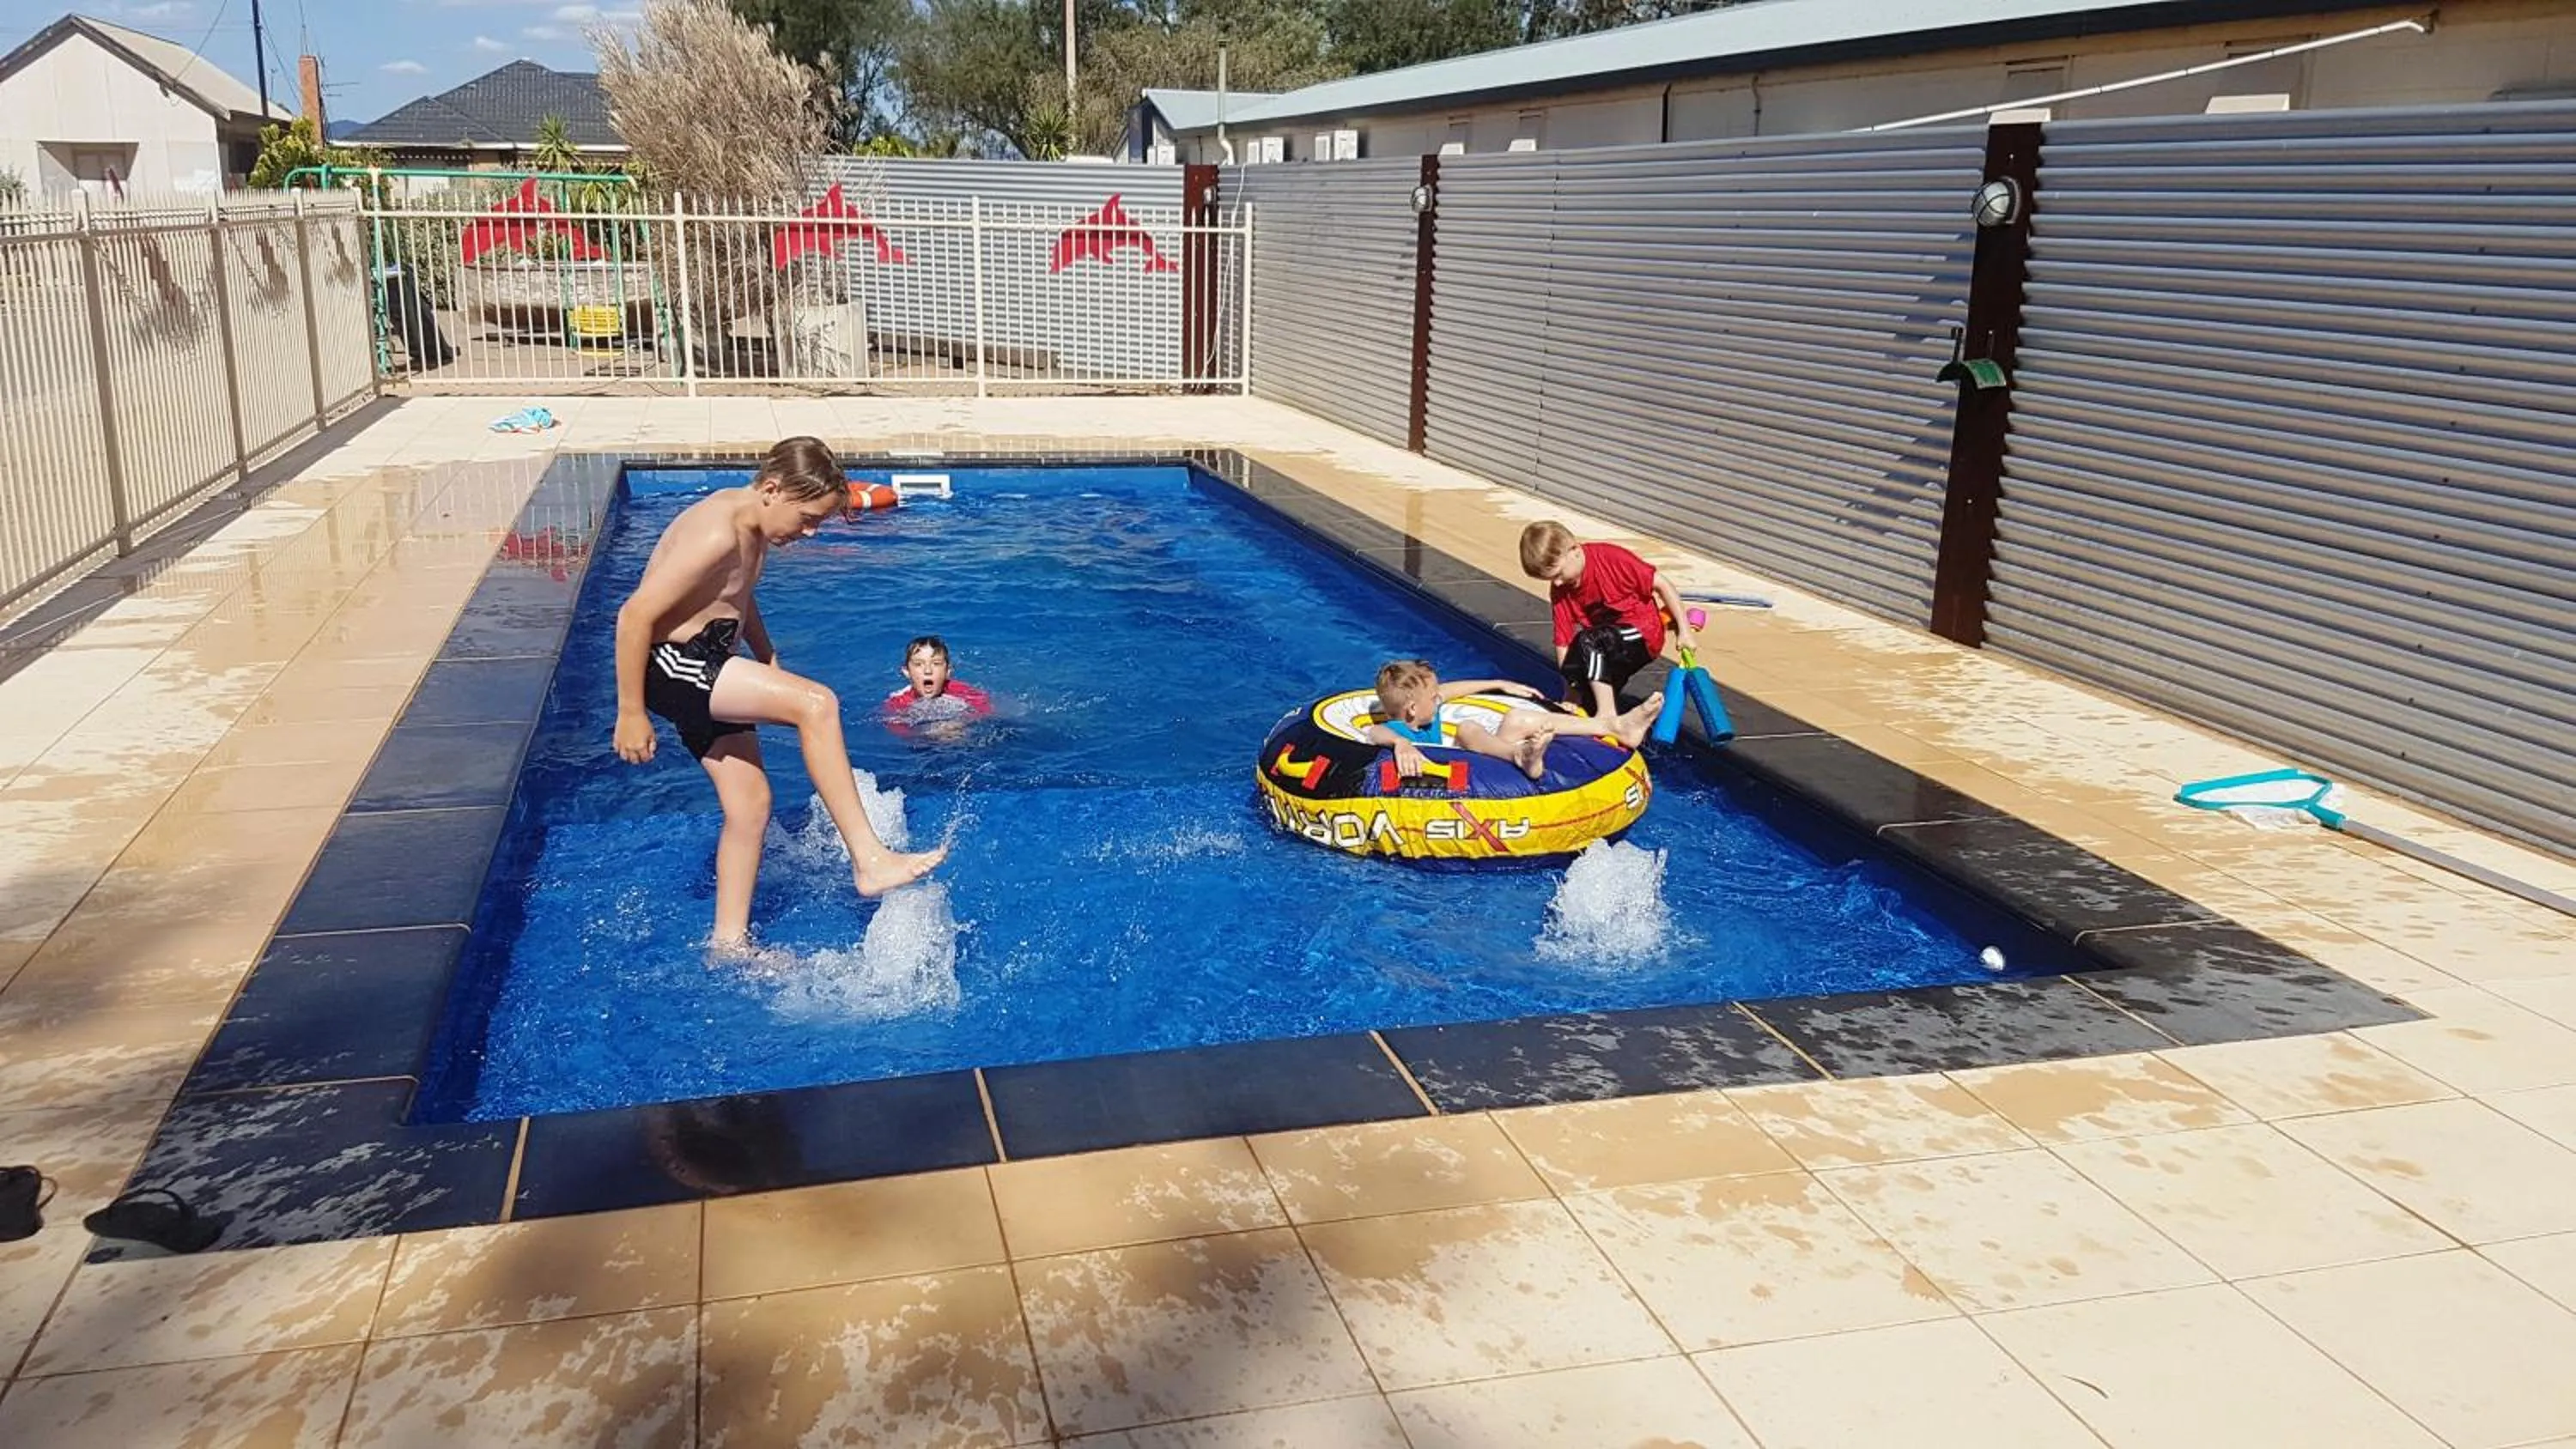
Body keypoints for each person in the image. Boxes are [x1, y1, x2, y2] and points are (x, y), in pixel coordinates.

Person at [614, 436, 945, 947]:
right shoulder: (716, 532)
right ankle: (870, 859)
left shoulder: (753, 523)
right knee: (818, 704)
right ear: (773, 489)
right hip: (673, 664)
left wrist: (764, 653)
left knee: (751, 806)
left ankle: (729, 943)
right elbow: (634, 614)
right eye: (808, 518)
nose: (810, 532)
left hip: (706, 659)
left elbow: (736, 594)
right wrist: (630, 711)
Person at [1518, 520, 1699, 724]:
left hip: (1643, 632)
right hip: (1607, 647)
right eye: (1551, 579)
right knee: (1585, 694)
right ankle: (1626, 723)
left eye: (1559, 574)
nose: (1557, 583)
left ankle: (1608, 716)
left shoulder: (1611, 558)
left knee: (1589, 640)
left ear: (1575, 551)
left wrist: (1685, 631)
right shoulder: (1561, 590)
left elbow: (1663, 585)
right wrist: (1571, 692)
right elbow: (1563, 642)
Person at [1367, 659, 1661, 782]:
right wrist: (1401, 743)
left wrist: (1497, 683)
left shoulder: (1423, 713)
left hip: (1488, 755)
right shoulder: (1397, 729)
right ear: (1411, 710)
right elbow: (1374, 732)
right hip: (1471, 774)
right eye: (1433, 698)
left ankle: (1614, 726)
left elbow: (1448, 691)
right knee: (1467, 729)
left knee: (1518, 718)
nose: (1439, 698)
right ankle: (1521, 756)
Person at [882, 635, 993, 725]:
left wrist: (960, 723)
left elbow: (985, 710)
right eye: (918, 664)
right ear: (907, 672)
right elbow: (897, 728)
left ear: (948, 671)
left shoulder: (962, 691)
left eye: (936, 664)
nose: (928, 670)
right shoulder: (898, 701)